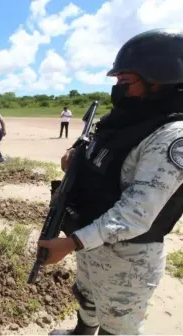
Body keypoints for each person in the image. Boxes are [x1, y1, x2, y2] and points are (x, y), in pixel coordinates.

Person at [39, 28, 183, 335]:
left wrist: (70, 243)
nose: (118, 90)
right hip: (92, 240)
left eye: (125, 82)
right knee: (87, 299)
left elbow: (136, 214)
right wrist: (74, 157)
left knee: (117, 324)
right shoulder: (126, 118)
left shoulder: (173, 137)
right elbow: (97, 153)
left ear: (160, 80)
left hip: (128, 258)